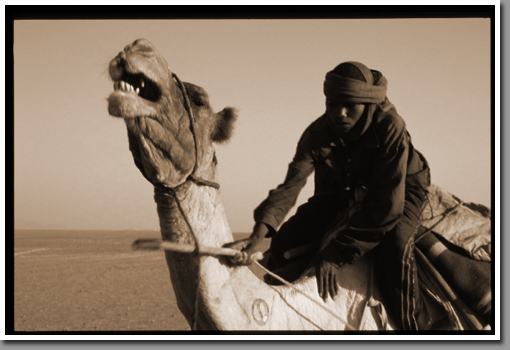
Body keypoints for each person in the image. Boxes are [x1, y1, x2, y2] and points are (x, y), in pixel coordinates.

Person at [225, 61, 488, 330]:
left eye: (349, 105)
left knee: (396, 244)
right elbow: (290, 186)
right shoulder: (318, 132)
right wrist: (257, 236)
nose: (339, 113)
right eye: (332, 104)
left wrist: (335, 254)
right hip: (347, 187)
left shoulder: (390, 127)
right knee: (284, 241)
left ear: (368, 104)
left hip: (402, 186)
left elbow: (388, 207)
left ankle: (417, 328)